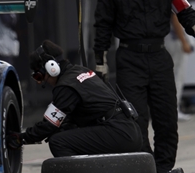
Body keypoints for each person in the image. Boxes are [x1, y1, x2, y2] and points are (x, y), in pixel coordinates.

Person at [94, 0, 195, 173]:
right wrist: (100, 63)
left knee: (167, 119)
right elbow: (101, 29)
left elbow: (186, 15)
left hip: (159, 57)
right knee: (135, 121)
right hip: (129, 59)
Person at [8, 40, 144, 160]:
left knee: (58, 142)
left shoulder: (66, 86)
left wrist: (22, 138)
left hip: (118, 133)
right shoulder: (80, 71)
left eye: (39, 76)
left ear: (51, 68)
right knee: (65, 133)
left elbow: (48, 125)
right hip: (129, 131)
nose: (41, 82)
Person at [163, 0, 193, 121]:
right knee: (177, 75)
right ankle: (174, 110)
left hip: (166, 39)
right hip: (174, 40)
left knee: (169, 75)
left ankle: (170, 110)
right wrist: (184, 42)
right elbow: (175, 18)